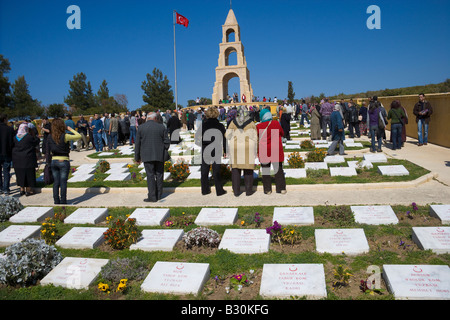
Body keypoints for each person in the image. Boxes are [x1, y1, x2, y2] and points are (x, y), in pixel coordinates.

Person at [135, 113, 170, 203]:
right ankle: (159, 195)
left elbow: (137, 144)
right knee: (159, 175)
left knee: (150, 176)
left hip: (147, 155)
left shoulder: (141, 127)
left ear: (147, 118)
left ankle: (152, 196)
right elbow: (167, 142)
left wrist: (137, 157)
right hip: (159, 155)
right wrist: (163, 149)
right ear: (155, 118)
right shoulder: (161, 127)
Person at [47, 118, 81, 204]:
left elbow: (47, 150)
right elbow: (78, 136)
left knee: (56, 182)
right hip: (63, 160)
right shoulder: (65, 136)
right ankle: (63, 200)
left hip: (54, 161)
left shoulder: (49, 136)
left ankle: (56, 200)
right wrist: (70, 129)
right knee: (63, 183)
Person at [225, 106, 257, 196]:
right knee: (248, 170)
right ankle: (249, 191)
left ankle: (236, 191)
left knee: (236, 169)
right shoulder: (251, 122)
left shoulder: (233, 122)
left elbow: (227, 135)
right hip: (248, 146)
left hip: (236, 147)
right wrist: (255, 149)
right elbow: (255, 137)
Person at [257, 108, 286, 195]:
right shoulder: (276, 123)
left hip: (264, 150)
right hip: (275, 149)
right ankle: (281, 189)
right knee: (278, 170)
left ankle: (267, 189)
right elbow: (282, 133)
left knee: (266, 170)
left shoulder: (259, 126)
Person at [200, 107, 227, 196]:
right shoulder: (220, 125)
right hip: (216, 147)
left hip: (205, 147)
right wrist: (225, 150)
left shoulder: (203, 125)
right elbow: (224, 139)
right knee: (216, 170)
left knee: (204, 170)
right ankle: (219, 190)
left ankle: (204, 190)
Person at [12, 123, 40, 196]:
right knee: (29, 174)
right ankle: (28, 190)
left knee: (20, 174)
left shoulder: (15, 137)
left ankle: (21, 189)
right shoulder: (28, 137)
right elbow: (36, 142)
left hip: (17, 159)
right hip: (27, 158)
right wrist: (36, 136)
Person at [0, 114, 14, 195]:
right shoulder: (9, 129)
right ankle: (6, 188)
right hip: (7, 152)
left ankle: (0, 188)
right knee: (6, 172)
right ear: (5, 119)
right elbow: (12, 142)